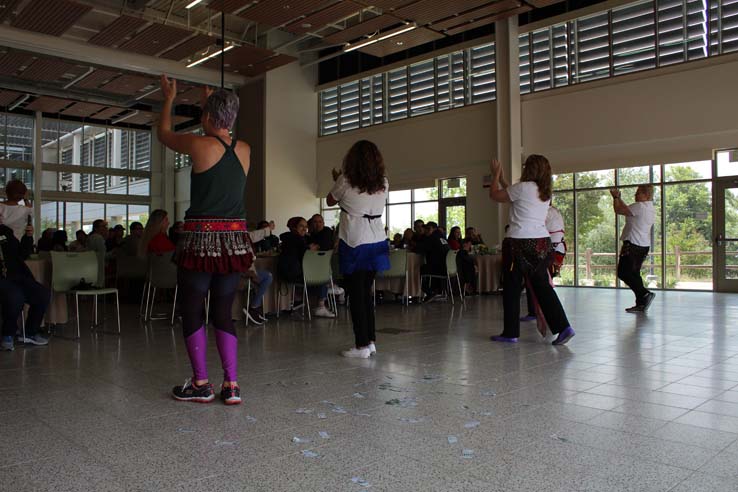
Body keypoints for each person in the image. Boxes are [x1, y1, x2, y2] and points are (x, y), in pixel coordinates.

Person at [158, 75, 253, 405]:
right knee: (224, 312)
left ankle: (200, 383)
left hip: (200, 244)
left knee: (193, 309)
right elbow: (219, 129)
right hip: (233, 244)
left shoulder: (199, 145)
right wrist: (209, 105)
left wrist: (169, 98)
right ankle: (232, 385)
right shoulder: (244, 150)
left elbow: (164, 134)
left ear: (207, 118)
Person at [488, 155, 574, 345]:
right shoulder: (544, 191)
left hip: (518, 242)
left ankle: (511, 333)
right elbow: (514, 195)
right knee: (542, 286)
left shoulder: (523, 188)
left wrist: (495, 176)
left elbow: (494, 195)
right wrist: (503, 178)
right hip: (541, 243)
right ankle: (564, 326)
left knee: (511, 287)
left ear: (530, 169)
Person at [327, 140, 389, 359]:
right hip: (377, 240)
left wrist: (337, 179)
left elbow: (330, 199)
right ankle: (370, 341)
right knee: (366, 293)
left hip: (354, 241)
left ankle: (361, 345)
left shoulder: (345, 180)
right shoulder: (383, 182)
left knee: (356, 295)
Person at [0, 223, 49, 350]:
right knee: (16, 297)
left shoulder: (6, 231)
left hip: (17, 276)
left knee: (42, 294)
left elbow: (21, 254)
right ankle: (7, 335)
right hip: (2, 279)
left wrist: (27, 238)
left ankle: (30, 332)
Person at [278, 217, 334, 318]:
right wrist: (308, 248)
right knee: (322, 276)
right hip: (292, 273)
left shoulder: (299, 238)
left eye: (306, 227)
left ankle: (302, 303)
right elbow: (301, 252)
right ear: (294, 228)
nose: (304, 229)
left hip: (297, 272)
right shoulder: (294, 239)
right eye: (301, 226)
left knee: (321, 276)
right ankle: (321, 303)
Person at [611, 184, 656, 312]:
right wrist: (618, 198)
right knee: (634, 274)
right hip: (643, 245)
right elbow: (625, 208)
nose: (635, 195)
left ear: (646, 195)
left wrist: (615, 198)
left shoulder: (639, 206)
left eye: (638, 193)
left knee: (623, 272)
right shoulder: (650, 207)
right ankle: (641, 302)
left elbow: (619, 210)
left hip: (633, 244)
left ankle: (644, 293)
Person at [522, 203, 567, 323]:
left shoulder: (547, 211)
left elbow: (536, 225)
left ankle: (535, 311)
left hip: (549, 249)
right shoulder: (553, 211)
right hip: (555, 248)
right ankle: (537, 311)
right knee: (542, 282)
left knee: (537, 281)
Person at [243, 222, 276, 324]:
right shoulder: (233, 239)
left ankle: (254, 306)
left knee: (268, 276)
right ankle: (254, 307)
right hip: (238, 276)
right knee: (266, 277)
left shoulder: (243, 237)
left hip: (248, 272)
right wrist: (249, 273)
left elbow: (254, 235)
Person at [417, 221, 449, 302]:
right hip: (448, 268)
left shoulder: (432, 238)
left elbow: (420, 249)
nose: (426, 230)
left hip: (439, 269)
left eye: (428, 228)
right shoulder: (442, 237)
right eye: (425, 228)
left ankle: (429, 292)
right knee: (426, 267)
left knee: (417, 270)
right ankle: (434, 290)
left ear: (434, 229)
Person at [87, 219, 108, 287]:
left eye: (105, 226)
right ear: (96, 228)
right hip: (98, 265)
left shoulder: (91, 237)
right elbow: (103, 254)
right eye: (103, 226)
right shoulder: (98, 238)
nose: (105, 228)